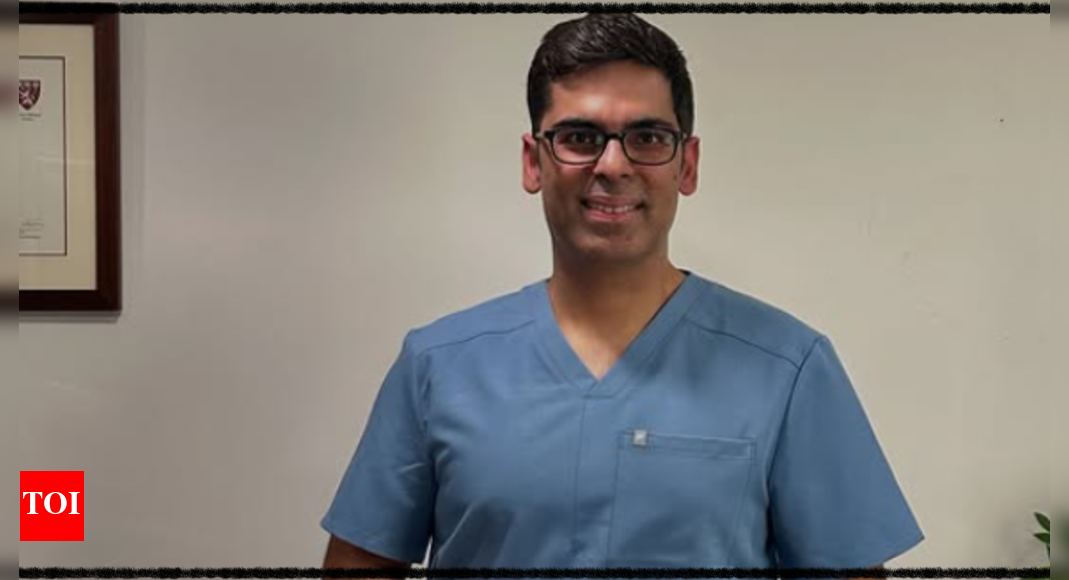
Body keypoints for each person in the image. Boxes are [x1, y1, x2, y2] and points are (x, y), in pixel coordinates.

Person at [320, 12, 924, 574]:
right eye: (580, 137)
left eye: (648, 136)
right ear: (533, 162)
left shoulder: (787, 369)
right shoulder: (438, 366)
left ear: (687, 164)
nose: (612, 165)